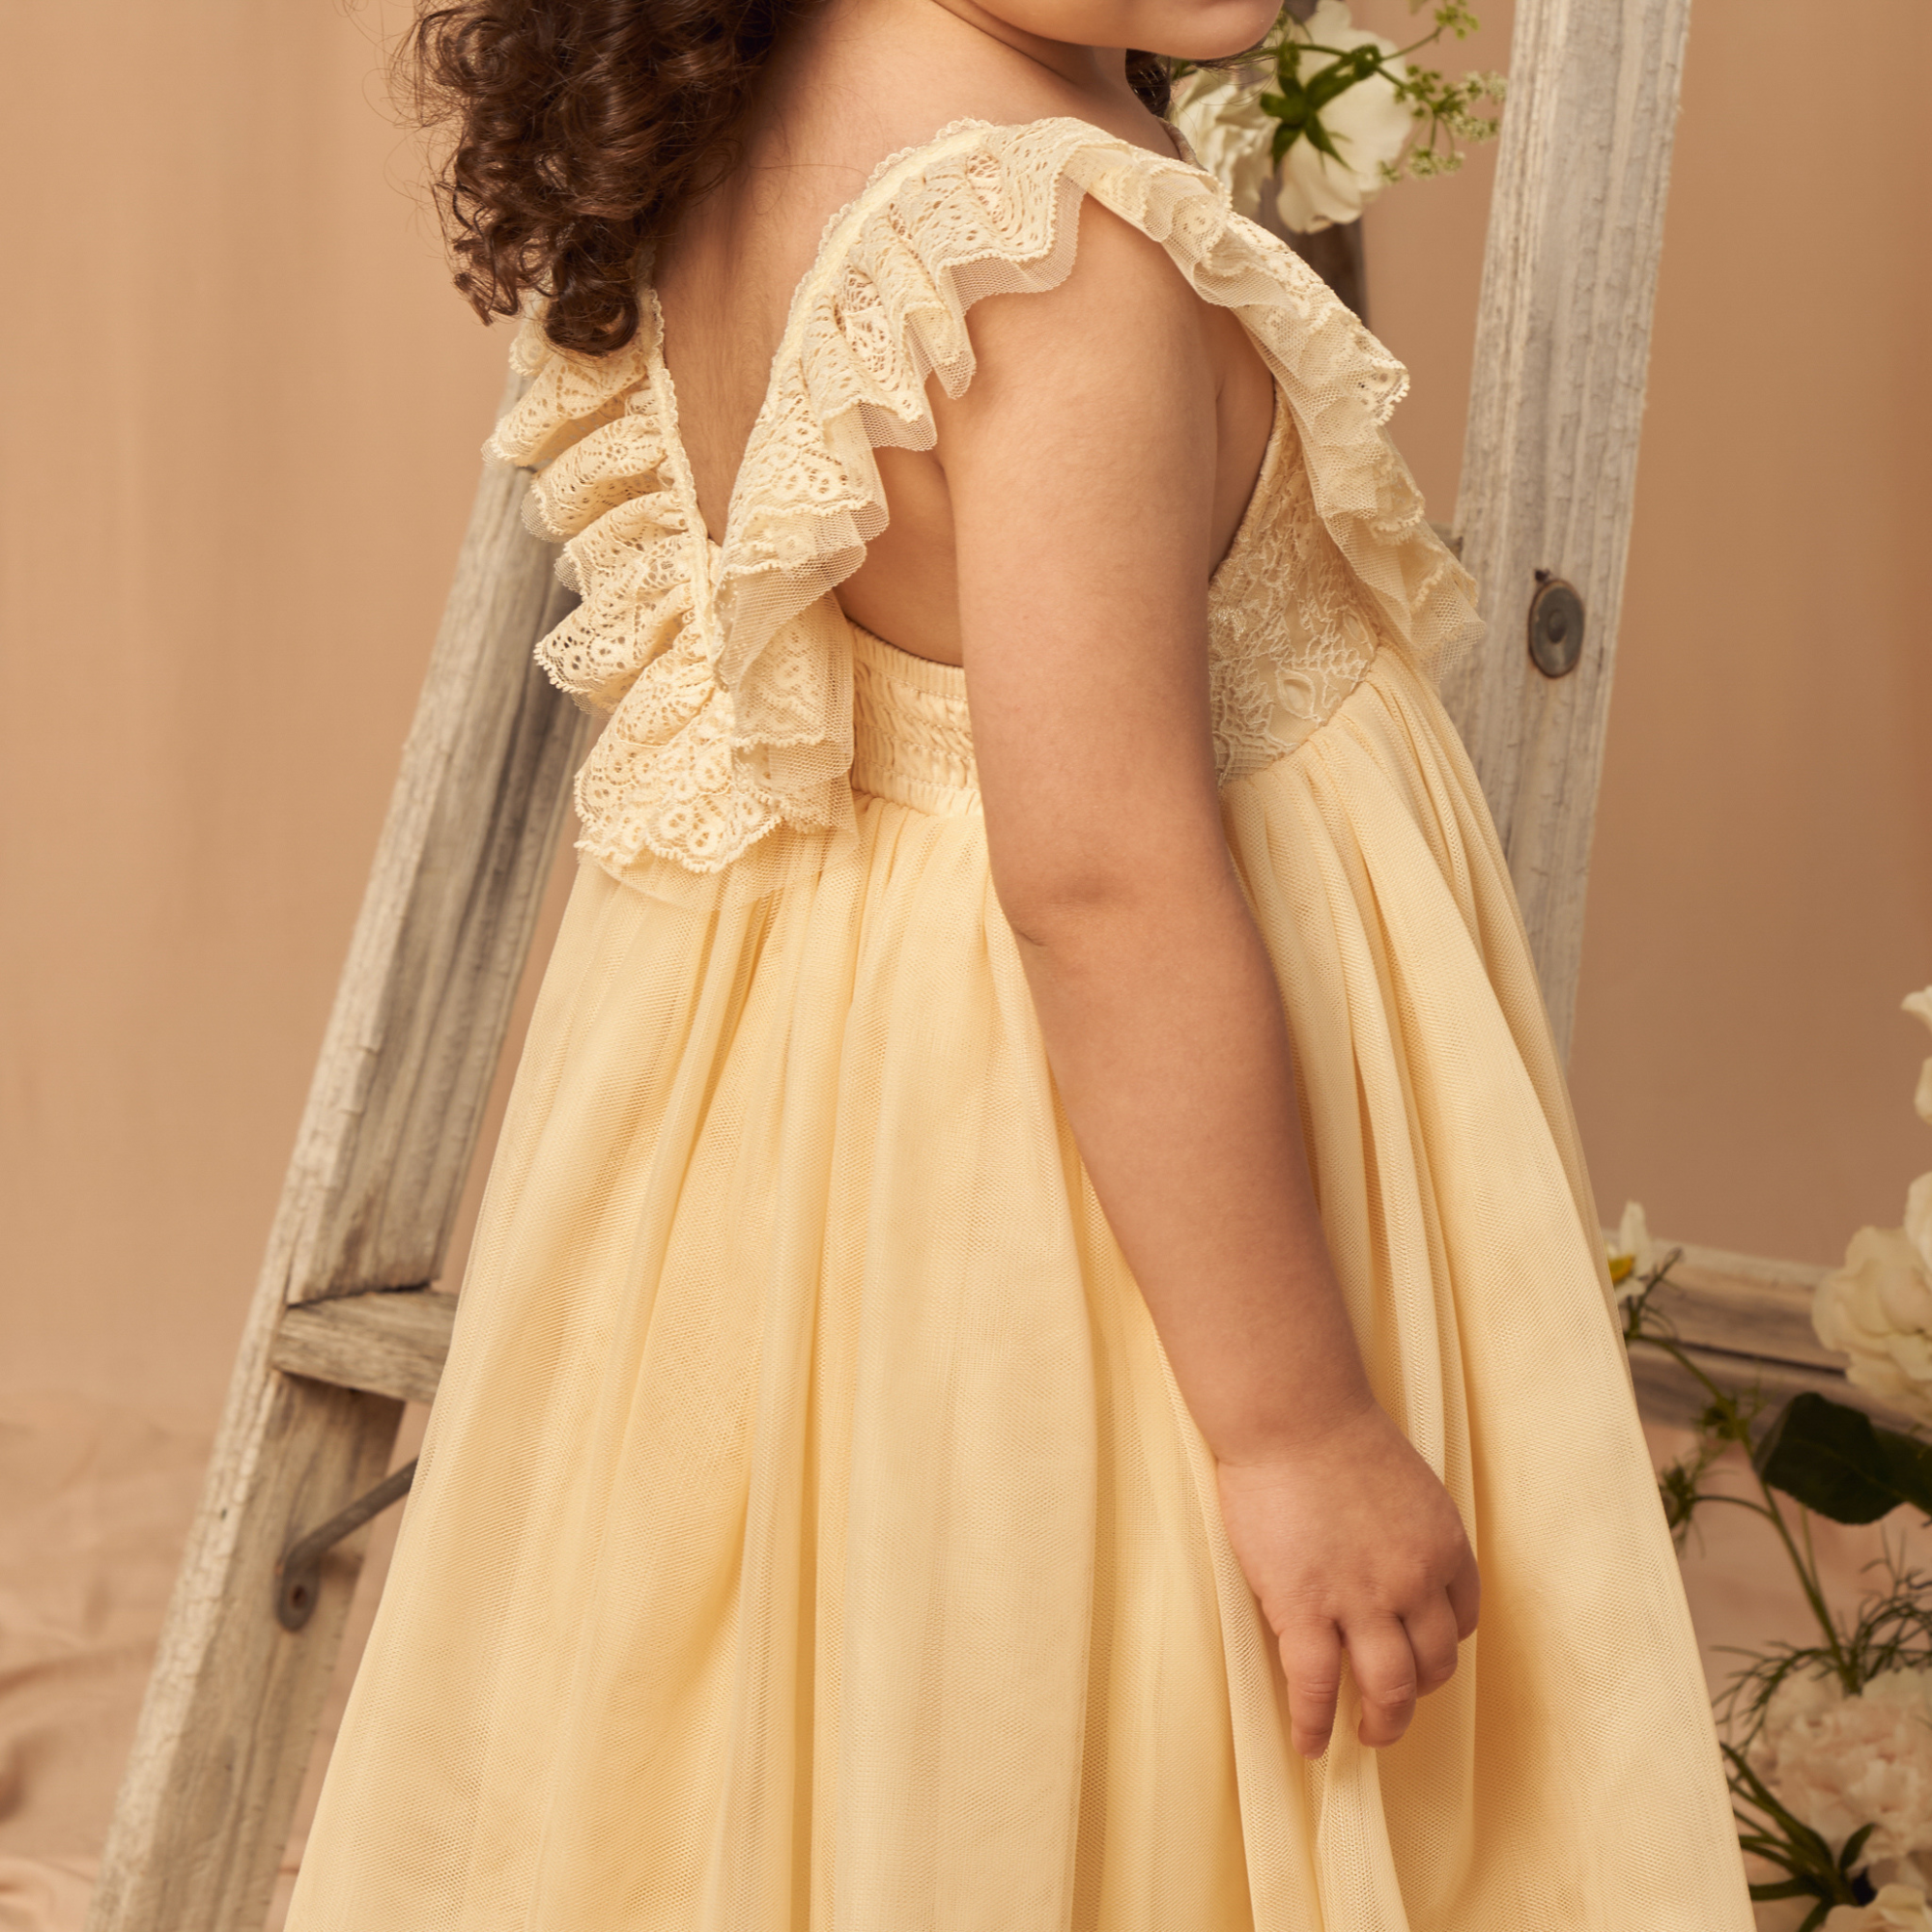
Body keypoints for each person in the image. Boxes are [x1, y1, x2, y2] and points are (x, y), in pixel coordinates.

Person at [286, 0, 1753, 1924]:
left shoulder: (745, 132)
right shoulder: (1057, 258)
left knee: (888, 1673)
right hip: (1099, 1187)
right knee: (1143, 1697)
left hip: (837, 1128)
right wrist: (1293, 1422)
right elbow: (1104, 877)